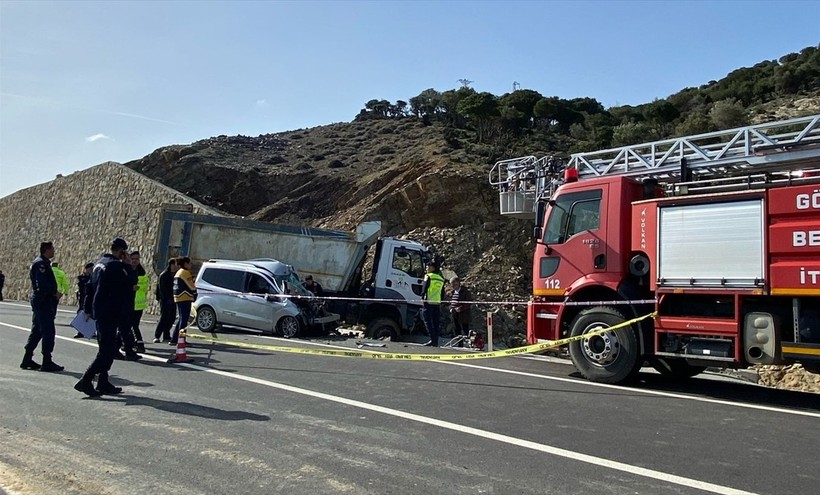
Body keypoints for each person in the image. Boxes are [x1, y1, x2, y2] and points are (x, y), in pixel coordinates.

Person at [74, 237, 133, 396]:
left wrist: (87, 308)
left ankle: (103, 381)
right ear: (121, 251)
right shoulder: (116, 266)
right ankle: (86, 380)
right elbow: (128, 285)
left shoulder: (99, 263)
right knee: (107, 350)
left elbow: (89, 287)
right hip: (110, 311)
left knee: (106, 347)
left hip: (99, 311)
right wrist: (128, 266)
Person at [20, 241, 64, 372]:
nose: (54, 251)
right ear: (46, 249)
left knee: (37, 330)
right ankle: (47, 361)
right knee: (48, 331)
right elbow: (41, 285)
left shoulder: (43, 263)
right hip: (43, 301)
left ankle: (27, 359)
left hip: (42, 300)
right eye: (52, 249)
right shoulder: (41, 264)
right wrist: (53, 293)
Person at [171, 256, 196, 345]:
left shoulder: (178, 272)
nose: (191, 265)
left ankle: (174, 339)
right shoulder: (185, 273)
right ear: (185, 264)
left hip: (178, 297)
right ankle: (181, 339)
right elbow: (191, 287)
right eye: (190, 263)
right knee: (184, 320)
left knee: (181, 319)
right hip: (185, 297)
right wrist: (195, 291)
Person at [421, 262, 445, 347]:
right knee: (436, 322)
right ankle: (436, 341)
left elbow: (424, 288)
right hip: (437, 302)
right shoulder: (441, 278)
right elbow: (442, 292)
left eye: (428, 267)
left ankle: (432, 339)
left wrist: (422, 297)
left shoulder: (428, 276)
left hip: (428, 301)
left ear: (433, 268)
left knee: (427, 321)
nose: (426, 268)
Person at [153, 258, 177, 343]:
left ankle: (166, 335)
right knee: (164, 318)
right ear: (170, 265)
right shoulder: (164, 275)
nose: (175, 267)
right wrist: (166, 299)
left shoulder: (175, 275)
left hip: (173, 299)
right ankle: (157, 335)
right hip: (165, 300)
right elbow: (162, 290)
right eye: (174, 264)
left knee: (172, 318)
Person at [129, 251, 149, 353]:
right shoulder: (128, 270)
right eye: (133, 259)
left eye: (136, 259)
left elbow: (145, 287)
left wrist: (136, 288)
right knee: (131, 325)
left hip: (137, 304)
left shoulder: (142, 272)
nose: (135, 261)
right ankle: (131, 343)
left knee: (133, 325)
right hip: (130, 302)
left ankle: (139, 344)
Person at [447, 276, 473, 346]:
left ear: (459, 283)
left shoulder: (465, 292)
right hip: (454, 313)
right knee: (456, 329)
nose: (453, 286)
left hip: (463, 314)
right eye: (452, 284)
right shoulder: (452, 292)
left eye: (455, 284)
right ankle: (460, 343)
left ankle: (471, 343)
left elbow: (469, 303)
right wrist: (451, 308)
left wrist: (460, 308)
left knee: (465, 329)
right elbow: (451, 302)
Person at [73, 262, 94, 338]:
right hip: (83, 297)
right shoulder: (81, 277)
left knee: (92, 315)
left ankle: (91, 331)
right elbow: (81, 286)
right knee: (81, 313)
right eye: (90, 269)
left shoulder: (93, 277)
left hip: (91, 298)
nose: (91, 270)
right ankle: (80, 331)